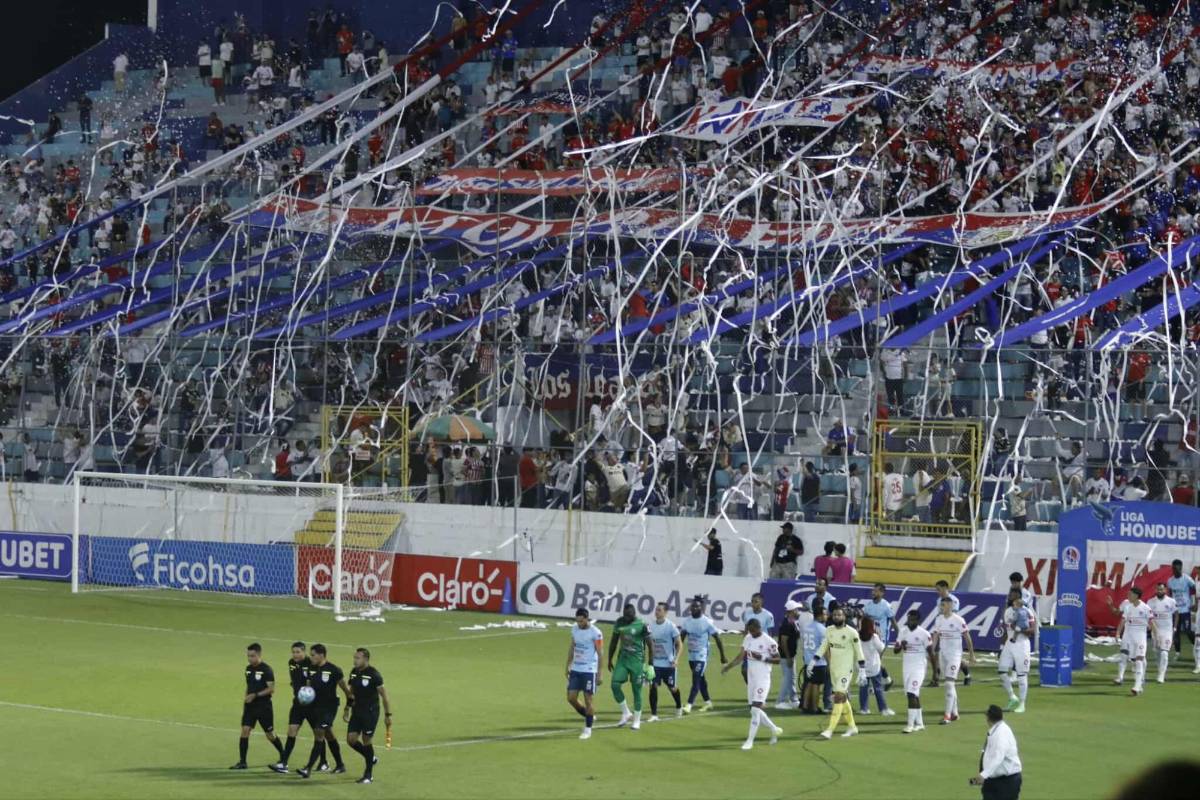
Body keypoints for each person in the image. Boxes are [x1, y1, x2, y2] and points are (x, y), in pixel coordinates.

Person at [721, 617, 782, 750]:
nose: (751, 633)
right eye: (749, 630)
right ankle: (774, 729)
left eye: (753, 631)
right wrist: (729, 666)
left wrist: (762, 657)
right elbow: (741, 656)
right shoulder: (748, 638)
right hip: (752, 679)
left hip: (763, 679)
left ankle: (750, 741)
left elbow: (778, 659)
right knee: (753, 709)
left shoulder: (769, 641)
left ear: (759, 628)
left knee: (755, 709)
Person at [271, 642, 327, 774]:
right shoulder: (291, 663)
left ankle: (323, 762)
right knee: (291, 730)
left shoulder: (311, 663)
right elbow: (295, 679)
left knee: (318, 734)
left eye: (298, 652)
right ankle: (283, 763)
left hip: (312, 705)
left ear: (304, 652)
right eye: (293, 652)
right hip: (297, 704)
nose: (295, 655)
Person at [296, 644, 351, 778]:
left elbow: (347, 692)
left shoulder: (334, 670)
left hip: (329, 707)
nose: (311, 657)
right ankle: (340, 765)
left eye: (313, 654)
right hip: (316, 707)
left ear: (322, 655)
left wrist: (347, 708)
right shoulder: (311, 668)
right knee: (329, 735)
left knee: (319, 733)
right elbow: (309, 688)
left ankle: (308, 768)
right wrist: (305, 697)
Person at [814, 606, 865, 739]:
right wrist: (814, 660)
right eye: (835, 615)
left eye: (839, 615)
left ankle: (829, 730)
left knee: (838, 697)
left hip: (846, 670)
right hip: (834, 669)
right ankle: (853, 727)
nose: (836, 617)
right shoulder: (829, 630)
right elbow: (824, 645)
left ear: (844, 617)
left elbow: (859, 651)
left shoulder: (852, 632)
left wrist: (862, 670)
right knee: (842, 698)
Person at [231, 643, 285, 769]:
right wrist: (246, 698)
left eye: (252, 656)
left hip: (264, 707)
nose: (250, 658)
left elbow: (271, 689)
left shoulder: (266, 670)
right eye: (248, 656)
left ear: (259, 655)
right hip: (250, 707)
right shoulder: (248, 669)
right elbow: (249, 686)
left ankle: (283, 755)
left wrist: (255, 695)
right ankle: (242, 762)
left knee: (270, 734)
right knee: (245, 731)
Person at [344, 647, 391, 784]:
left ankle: (368, 774)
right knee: (351, 740)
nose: (355, 660)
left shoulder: (374, 674)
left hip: (370, 712)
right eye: (354, 657)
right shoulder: (353, 673)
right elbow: (351, 692)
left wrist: (388, 715)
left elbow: (384, 696)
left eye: (357, 658)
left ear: (365, 659)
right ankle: (370, 757)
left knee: (366, 739)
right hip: (356, 711)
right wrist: (347, 708)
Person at [931, 596, 975, 724]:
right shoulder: (939, 619)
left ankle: (947, 715)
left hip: (955, 655)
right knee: (949, 684)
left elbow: (967, 637)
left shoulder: (958, 620)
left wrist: (971, 654)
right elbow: (936, 636)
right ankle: (955, 713)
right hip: (943, 654)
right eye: (941, 605)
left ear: (950, 606)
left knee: (949, 683)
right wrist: (933, 651)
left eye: (943, 605)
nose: (941, 608)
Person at [679, 598, 726, 713]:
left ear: (702, 608)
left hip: (702, 655)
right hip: (691, 656)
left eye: (697, 606)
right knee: (701, 679)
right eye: (693, 606)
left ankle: (689, 705)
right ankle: (708, 703)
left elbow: (718, 639)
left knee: (696, 678)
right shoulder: (687, 622)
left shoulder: (707, 622)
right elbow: (681, 638)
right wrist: (676, 653)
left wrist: (722, 656)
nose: (694, 608)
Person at [607, 603, 649, 730]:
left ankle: (637, 720)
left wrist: (650, 665)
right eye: (624, 615)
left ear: (634, 614)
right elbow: (614, 641)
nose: (626, 618)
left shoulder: (642, 624)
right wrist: (610, 659)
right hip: (623, 660)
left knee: (637, 690)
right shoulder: (619, 622)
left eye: (628, 616)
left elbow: (651, 645)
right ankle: (626, 712)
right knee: (614, 685)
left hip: (637, 661)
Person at [971, 705, 1023, 800]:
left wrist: (984, 774)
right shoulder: (997, 730)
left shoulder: (1001, 733)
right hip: (994, 780)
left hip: (1007, 782)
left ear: (988, 718)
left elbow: (998, 757)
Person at [567, 607, 603, 739]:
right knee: (571, 698)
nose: (579, 624)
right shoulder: (575, 630)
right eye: (577, 621)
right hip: (576, 669)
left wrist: (600, 672)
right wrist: (568, 665)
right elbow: (572, 647)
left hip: (589, 670)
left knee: (588, 699)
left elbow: (600, 653)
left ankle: (588, 729)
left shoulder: (596, 633)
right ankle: (590, 716)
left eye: (581, 621)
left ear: (587, 619)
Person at [895, 609, 932, 733]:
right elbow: (896, 650)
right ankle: (920, 723)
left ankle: (910, 725)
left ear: (917, 620)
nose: (909, 621)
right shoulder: (903, 632)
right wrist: (901, 645)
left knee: (911, 694)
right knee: (913, 694)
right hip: (907, 667)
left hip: (919, 667)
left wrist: (936, 672)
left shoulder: (924, 634)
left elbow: (931, 653)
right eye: (908, 619)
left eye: (912, 619)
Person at [1111, 586, 1153, 695]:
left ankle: (1137, 686)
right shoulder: (1128, 607)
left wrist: (1155, 635)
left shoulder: (1146, 608)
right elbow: (1123, 620)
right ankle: (1124, 678)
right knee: (1129, 658)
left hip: (1140, 637)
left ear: (1136, 596)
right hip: (1128, 636)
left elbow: (1151, 623)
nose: (1128, 596)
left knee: (1139, 660)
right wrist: (1118, 633)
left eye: (1130, 594)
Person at [999, 590, 1034, 712]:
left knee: (1021, 675)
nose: (1009, 598)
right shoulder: (1008, 611)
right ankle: (1012, 697)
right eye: (1009, 596)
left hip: (1022, 645)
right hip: (1009, 644)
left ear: (1018, 597)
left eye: (1012, 596)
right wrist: (1002, 646)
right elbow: (1006, 629)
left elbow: (1032, 631)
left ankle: (1022, 704)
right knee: (1002, 671)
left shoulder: (1027, 611)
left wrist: (1019, 629)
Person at [647, 603, 683, 720]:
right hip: (655, 664)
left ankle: (678, 706)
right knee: (653, 686)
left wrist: (676, 659)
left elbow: (679, 644)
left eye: (659, 610)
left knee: (672, 688)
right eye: (656, 610)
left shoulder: (671, 626)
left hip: (668, 664)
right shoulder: (651, 626)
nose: (656, 612)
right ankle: (654, 714)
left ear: (665, 612)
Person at [861, 583, 895, 688]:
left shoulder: (886, 606)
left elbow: (893, 621)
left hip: (882, 637)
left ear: (882, 593)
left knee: (877, 661)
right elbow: (864, 619)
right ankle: (887, 681)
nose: (873, 592)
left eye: (876, 591)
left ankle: (875, 686)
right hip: (871, 637)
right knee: (875, 661)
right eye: (873, 590)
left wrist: (900, 636)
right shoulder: (869, 606)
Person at [1165, 559, 1198, 668]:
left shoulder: (1187, 579)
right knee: (1176, 632)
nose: (1176, 570)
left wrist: (1194, 603)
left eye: (1178, 568)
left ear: (1181, 568)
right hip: (1175, 611)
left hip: (1186, 609)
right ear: (1172, 569)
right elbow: (1169, 594)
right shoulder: (1170, 581)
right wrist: (1169, 606)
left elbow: (1194, 590)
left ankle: (1197, 649)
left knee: (1188, 631)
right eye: (1174, 569)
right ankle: (1177, 653)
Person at [857, 617, 891, 716]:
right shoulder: (874, 637)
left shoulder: (857, 635)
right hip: (874, 666)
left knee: (863, 688)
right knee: (878, 688)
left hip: (862, 666)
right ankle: (883, 709)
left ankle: (864, 709)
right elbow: (881, 648)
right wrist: (879, 636)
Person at [1146, 584, 1177, 684]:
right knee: (1158, 652)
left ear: (1165, 590)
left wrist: (1175, 627)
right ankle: (1160, 669)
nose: (1160, 591)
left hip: (1167, 630)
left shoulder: (1171, 601)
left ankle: (1161, 675)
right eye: (1158, 589)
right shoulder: (1150, 602)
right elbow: (1148, 617)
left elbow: (1176, 614)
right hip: (1156, 631)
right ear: (1156, 590)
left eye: (1162, 589)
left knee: (1164, 652)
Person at [800, 605, 827, 714]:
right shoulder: (822, 629)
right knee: (816, 685)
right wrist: (829, 663)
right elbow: (824, 649)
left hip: (808, 660)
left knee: (809, 683)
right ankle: (815, 708)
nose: (826, 616)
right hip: (818, 662)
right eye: (825, 614)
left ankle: (805, 706)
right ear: (820, 616)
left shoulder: (806, 627)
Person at [775, 600, 802, 709]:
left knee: (792, 677)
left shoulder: (792, 622)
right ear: (792, 611)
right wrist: (788, 656)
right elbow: (783, 641)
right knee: (787, 678)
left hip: (791, 655)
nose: (798, 611)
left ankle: (793, 698)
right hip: (787, 656)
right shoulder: (787, 624)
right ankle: (780, 701)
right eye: (796, 609)